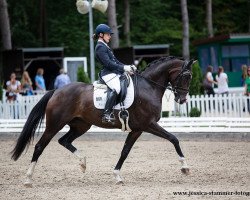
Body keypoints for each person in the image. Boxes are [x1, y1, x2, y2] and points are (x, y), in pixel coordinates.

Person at [93, 23, 137, 123]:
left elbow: (116, 61)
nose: (110, 36)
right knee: (116, 88)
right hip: (107, 74)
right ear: (101, 35)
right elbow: (108, 63)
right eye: (108, 34)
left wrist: (127, 68)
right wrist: (124, 68)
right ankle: (106, 113)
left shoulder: (105, 46)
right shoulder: (100, 47)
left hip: (113, 73)